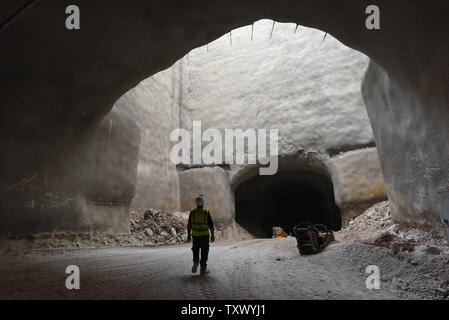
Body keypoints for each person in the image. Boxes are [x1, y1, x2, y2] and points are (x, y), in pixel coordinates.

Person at [187, 195, 215, 275]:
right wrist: (212, 235)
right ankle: (203, 269)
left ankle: (196, 262)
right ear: (203, 203)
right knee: (204, 252)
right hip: (204, 235)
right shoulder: (206, 212)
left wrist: (188, 235)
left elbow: (189, 225)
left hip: (195, 235)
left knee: (195, 250)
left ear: (196, 203)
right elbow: (211, 225)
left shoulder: (192, 212)